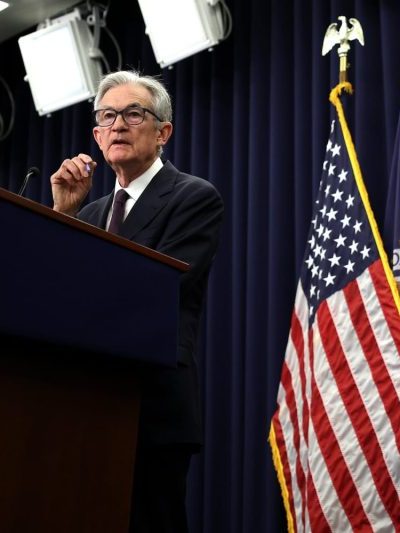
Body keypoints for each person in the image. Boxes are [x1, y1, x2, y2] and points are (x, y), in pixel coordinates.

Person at [50, 69, 224, 532]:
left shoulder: (193, 197)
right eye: (107, 117)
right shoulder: (88, 212)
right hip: (84, 404)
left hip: (152, 408)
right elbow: (55, 298)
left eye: (132, 113)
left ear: (163, 133)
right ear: (96, 136)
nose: (117, 125)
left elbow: (156, 288)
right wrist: (63, 217)